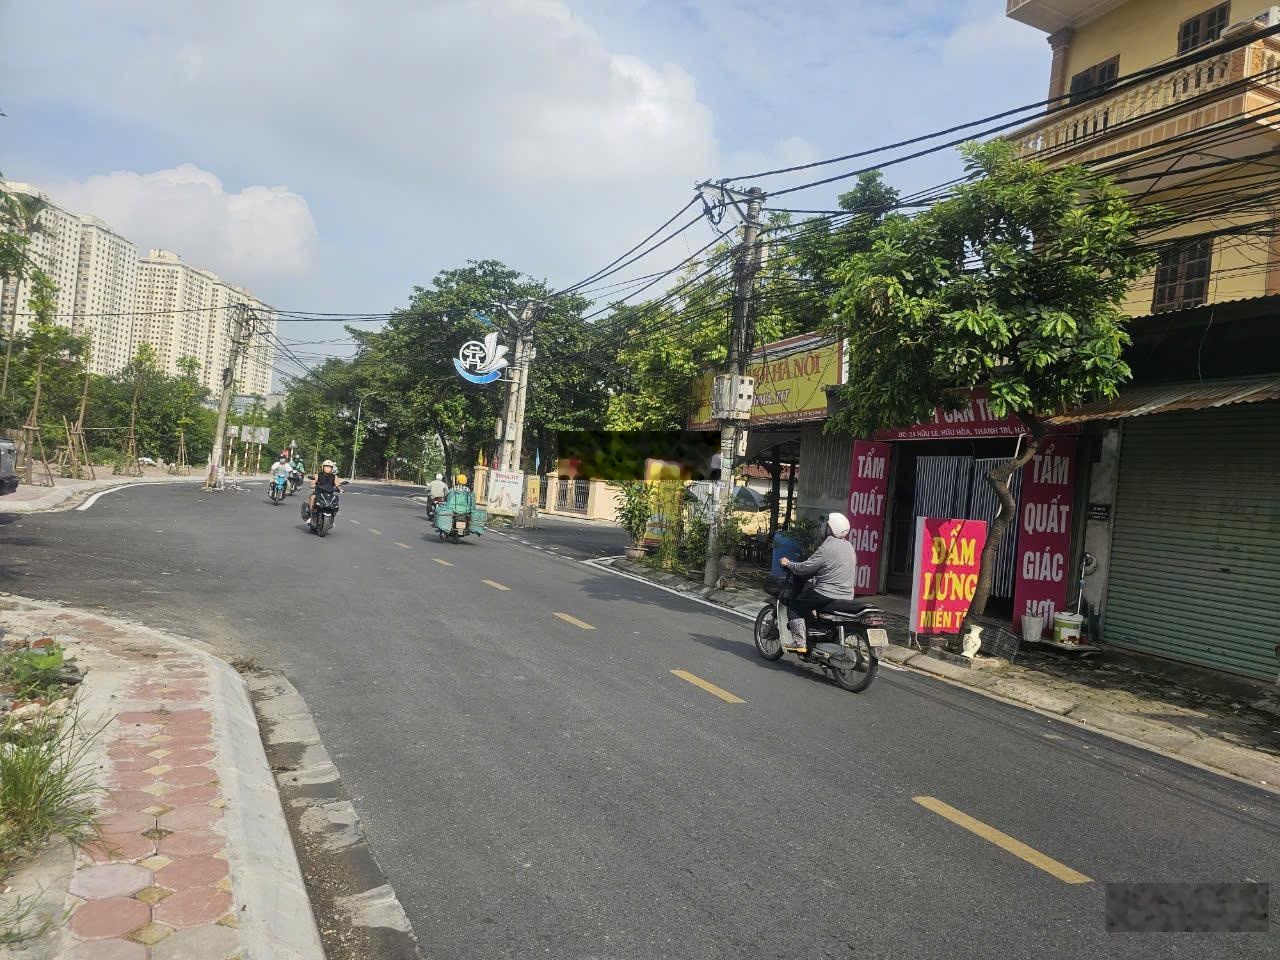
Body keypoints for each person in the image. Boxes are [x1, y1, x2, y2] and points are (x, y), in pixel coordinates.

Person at [779, 512, 857, 652]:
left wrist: (789, 564)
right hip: (847, 595)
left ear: (831, 529)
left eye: (825, 525)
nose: (822, 527)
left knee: (795, 607)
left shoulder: (828, 546)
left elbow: (806, 567)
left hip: (826, 593)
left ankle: (799, 643)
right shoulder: (849, 547)